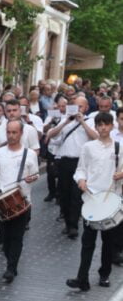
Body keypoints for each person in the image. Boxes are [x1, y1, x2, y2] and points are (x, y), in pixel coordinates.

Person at [67, 112, 123, 291]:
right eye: (100, 124)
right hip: (91, 199)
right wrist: (81, 180)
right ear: (96, 127)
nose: (103, 127)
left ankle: (104, 274)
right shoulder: (88, 147)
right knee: (87, 241)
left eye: (106, 124)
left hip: (110, 200)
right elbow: (81, 169)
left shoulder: (119, 147)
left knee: (108, 241)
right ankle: (82, 278)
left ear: (111, 126)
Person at [0, 120, 40, 283]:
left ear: (21, 134)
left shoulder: (29, 154)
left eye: (14, 132)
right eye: (9, 132)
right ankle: (10, 259)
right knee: (6, 238)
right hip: (3, 201)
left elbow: (36, 174)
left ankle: (11, 268)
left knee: (17, 237)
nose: (11, 135)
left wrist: (32, 178)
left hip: (22, 201)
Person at [46, 95, 99, 239]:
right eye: (75, 106)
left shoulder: (91, 121)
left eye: (80, 107)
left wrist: (82, 122)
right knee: (64, 193)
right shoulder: (66, 120)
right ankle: (68, 223)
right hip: (64, 162)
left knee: (76, 195)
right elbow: (51, 136)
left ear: (86, 108)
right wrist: (65, 123)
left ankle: (73, 226)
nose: (78, 109)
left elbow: (96, 137)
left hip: (81, 163)